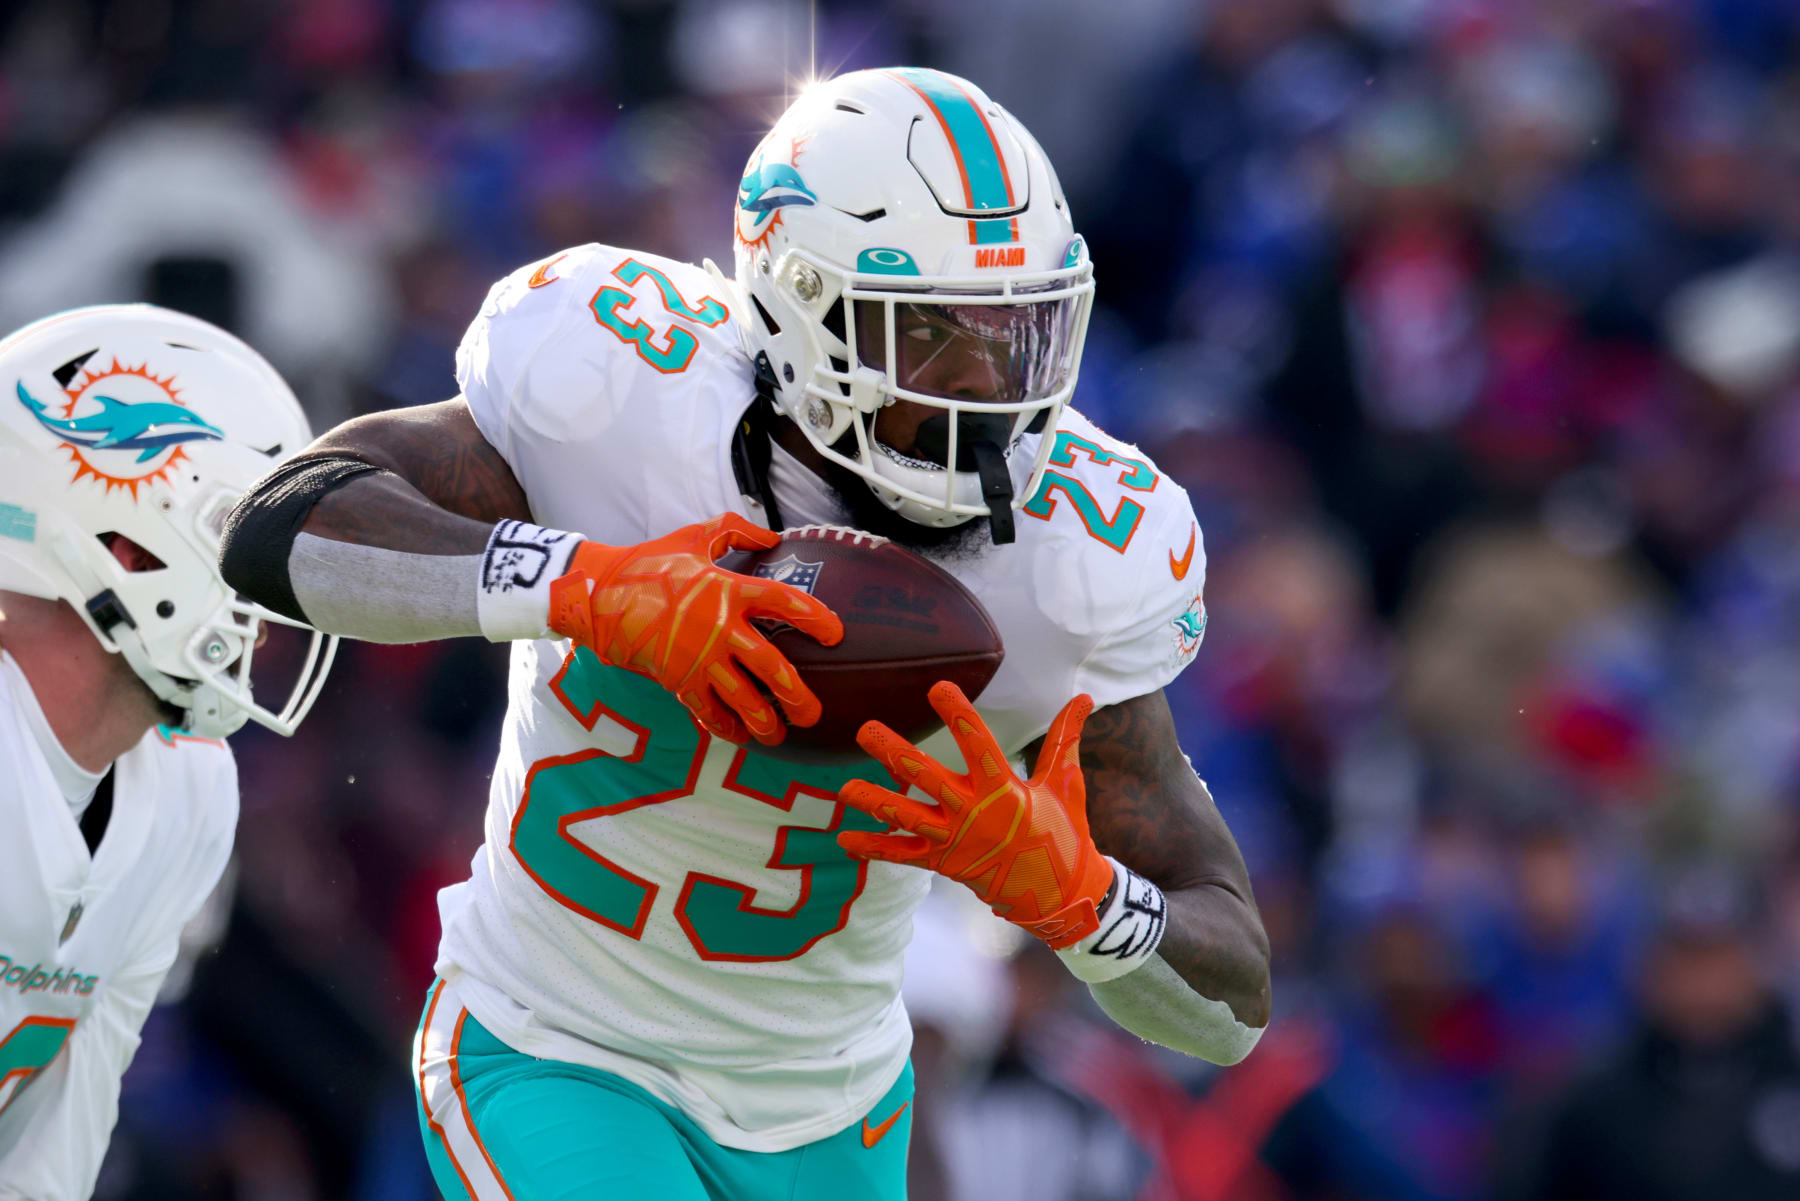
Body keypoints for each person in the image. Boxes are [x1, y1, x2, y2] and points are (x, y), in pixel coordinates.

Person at [218, 67, 1272, 1200]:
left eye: (1021, 336)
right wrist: (583, 585)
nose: (992, 393)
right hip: (560, 1044)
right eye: (934, 336)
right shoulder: (623, 394)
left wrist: (1081, 897)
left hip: (837, 1106)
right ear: (802, 302)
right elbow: (278, 523)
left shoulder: (1080, 564)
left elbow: (1236, 1001)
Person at [0, 304, 336, 1200]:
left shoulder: (187, 790)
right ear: (121, 541)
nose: (269, 600)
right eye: (243, 540)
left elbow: (46, 1169)